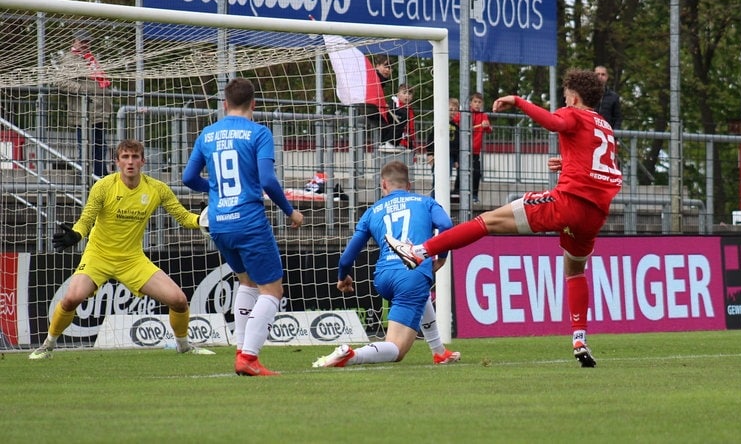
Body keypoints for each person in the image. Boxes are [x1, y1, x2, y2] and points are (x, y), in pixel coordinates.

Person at [387, 69, 623, 367]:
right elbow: (605, 168)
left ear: (573, 97)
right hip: (594, 215)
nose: (563, 100)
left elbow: (554, 122)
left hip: (567, 203)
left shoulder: (573, 113)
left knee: (487, 221)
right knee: (575, 270)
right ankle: (579, 338)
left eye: (564, 96)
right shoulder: (604, 126)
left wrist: (518, 100)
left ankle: (419, 251)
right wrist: (567, 162)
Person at [30, 139, 214, 359]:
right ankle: (47, 346)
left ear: (143, 161)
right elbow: (86, 219)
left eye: (135, 157)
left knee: (179, 300)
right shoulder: (104, 186)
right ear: (116, 162)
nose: (130, 162)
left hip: (132, 259)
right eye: (125, 157)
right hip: (98, 256)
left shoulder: (157, 189)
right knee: (71, 299)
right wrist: (76, 234)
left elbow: (183, 217)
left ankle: (184, 346)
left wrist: (201, 220)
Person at [182, 77, 304, 376]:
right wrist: (290, 211)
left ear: (225, 104)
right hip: (248, 220)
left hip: (219, 223)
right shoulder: (258, 133)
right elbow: (267, 180)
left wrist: (215, 188)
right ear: (254, 104)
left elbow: (188, 178)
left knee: (247, 283)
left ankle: (241, 348)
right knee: (273, 291)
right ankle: (249, 357)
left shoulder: (208, 134)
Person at [313, 161, 459, 367]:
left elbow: (347, 256)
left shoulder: (372, 211)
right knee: (396, 349)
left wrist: (342, 276)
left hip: (383, 277)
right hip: (411, 274)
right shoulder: (426, 202)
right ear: (409, 185)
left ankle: (439, 352)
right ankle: (352, 355)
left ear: (383, 185)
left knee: (420, 294)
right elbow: (446, 225)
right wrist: (441, 256)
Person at [57, 29, 113, 178]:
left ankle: (100, 175)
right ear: (74, 42)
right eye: (82, 41)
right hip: (84, 111)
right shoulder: (70, 59)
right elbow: (60, 82)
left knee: (100, 145)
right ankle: (88, 177)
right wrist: (82, 90)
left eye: (87, 41)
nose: (85, 44)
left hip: (99, 110)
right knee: (87, 145)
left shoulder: (91, 59)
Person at [454, 93, 492, 204]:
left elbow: (489, 129)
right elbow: (455, 121)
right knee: (461, 171)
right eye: (475, 102)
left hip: (475, 151)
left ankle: (474, 195)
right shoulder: (465, 114)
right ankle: (457, 192)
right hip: (463, 149)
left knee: (476, 173)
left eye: (479, 102)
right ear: (470, 103)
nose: (477, 104)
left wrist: (487, 126)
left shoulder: (483, 115)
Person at [379, 83, 415, 152]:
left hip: (407, 141)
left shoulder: (409, 109)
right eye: (404, 93)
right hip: (396, 140)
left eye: (409, 94)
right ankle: (390, 143)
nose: (407, 95)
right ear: (398, 94)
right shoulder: (393, 104)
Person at [594, 65, 622, 130]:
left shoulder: (614, 97)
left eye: (603, 74)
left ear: (607, 77)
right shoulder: (587, 93)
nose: (600, 76)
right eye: (598, 74)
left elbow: (617, 118)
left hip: (606, 133)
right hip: (590, 131)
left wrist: (614, 134)